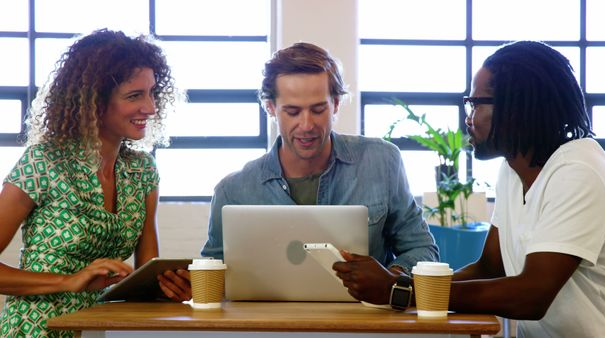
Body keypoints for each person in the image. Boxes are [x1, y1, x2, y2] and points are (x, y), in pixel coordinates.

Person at [201, 42, 438, 306]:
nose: (306, 125)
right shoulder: (233, 190)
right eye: (292, 112)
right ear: (270, 107)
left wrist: (390, 279)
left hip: (366, 326)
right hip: (269, 328)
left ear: (335, 103)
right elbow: (212, 273)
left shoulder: (381, 161)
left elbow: (423, 249)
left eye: (318, 109)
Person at [0, 29, 191, 337]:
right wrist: (68, 280)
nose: (150, 107)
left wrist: (168, 288)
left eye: (152, 92)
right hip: (36, 328)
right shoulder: (44, 162)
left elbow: (145, 277)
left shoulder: (143, 171)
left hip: (100, 329)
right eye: (134, 96)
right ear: (94, 102)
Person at [449, 40, 605, 336]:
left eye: (476, 103)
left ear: (516, 107)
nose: (468, 116)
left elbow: (532, 296)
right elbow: (491, 267)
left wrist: (407, 294)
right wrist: (409, 286)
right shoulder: (512, 171)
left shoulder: (578, 173)